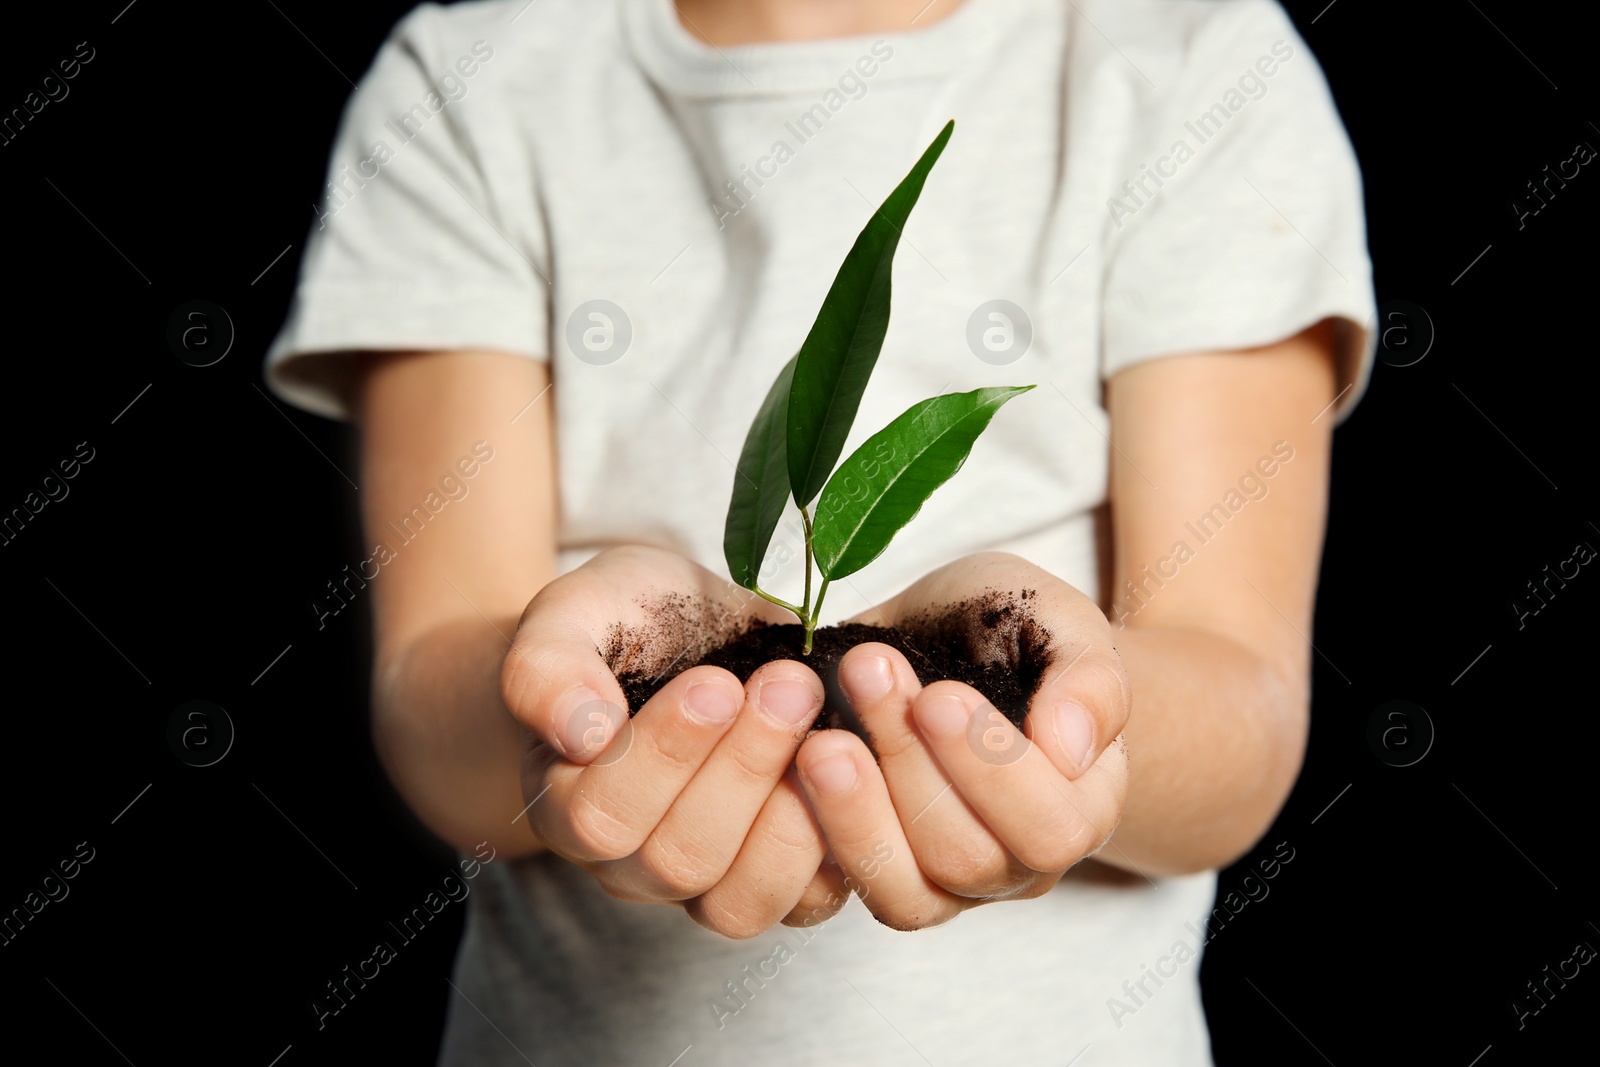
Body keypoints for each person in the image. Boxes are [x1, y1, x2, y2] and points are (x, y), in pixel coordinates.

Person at [266, 0, 1374, 1062]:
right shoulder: (472, 83)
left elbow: (1243, 714)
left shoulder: (1194, 66)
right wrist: (559, 695)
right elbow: (435, 709)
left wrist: (1070, 700)